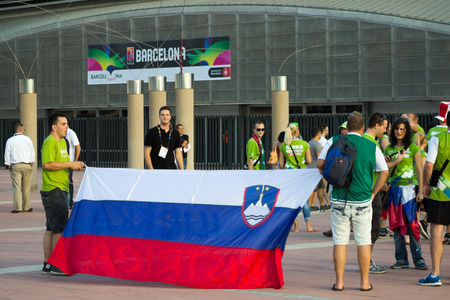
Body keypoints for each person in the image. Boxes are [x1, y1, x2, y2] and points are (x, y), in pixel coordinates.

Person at [317, 111, 388, 292]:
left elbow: (320, 164)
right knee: (363, 241)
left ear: (346, 127)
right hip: (363, 200)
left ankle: (339, 283)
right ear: (363, 128)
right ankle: (364, 283)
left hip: (339, 198)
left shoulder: (334, 140)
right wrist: (373, 193)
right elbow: (384, 171)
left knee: (340, 241)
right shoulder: (371, 145)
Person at [41, 114, 84, 275]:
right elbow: (47, 164)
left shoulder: (63, 142)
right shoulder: (50, 142)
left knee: (51, 228)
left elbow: (61, 164)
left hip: (61, 189)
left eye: (67, 124)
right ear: (54, 127)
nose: (67, 127)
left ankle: (48, 263)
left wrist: (72, 166)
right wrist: (69, 164)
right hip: (54, 190)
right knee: (59, 228)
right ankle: (57, 265)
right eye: (63, 124)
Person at [384, 117, 428, 270]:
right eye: (397, 128)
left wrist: (421, 191)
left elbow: (419, 171)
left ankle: (419, 260)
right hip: (393, 192)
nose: (399, 131)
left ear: (407, 131)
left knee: (412, 226)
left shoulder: (414, 148)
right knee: (396, 228)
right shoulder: (388, 148)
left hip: (410, 192)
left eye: (402, 129)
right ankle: (401, 259)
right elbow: (384, 170)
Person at [418, 110, 450, 286]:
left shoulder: (439, 138)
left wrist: (425, 185)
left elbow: (429, 165)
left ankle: (436, 274)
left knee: (436, 232)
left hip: (441, 191)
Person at [362, 113, 389, 274]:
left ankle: (366, 261)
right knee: (371, 230)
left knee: (365, 229)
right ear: (377, 125)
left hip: (363, 188)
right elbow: (383, 169)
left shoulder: (360, 140)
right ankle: (367, 262)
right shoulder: (372, 143)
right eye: (384, 127)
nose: (385, 131)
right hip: (370, 191)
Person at [279, 123, 316, 232]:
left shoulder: (283, 146)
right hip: (302, 174)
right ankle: (309, 226)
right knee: (304, 200)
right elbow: (309, 161)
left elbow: (281, 165)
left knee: (292, 200)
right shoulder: (304, 144)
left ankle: (296, 227)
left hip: (289, 175)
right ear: (298, 132)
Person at [4, 123, 35, 213]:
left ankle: (17, 208)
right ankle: (26, 207)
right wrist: (30, 164)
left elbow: (7, 154)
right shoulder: (27, 139)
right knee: (26, 187)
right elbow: (32, 153)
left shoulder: (10, 140)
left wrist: (8, 164)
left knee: (16, 187)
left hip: (16, 165)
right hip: (27, 165)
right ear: (21, 130)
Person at [307, 128, 328, 212]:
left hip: (310, 168)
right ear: (317, 134)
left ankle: (321, 204)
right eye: (320, 133)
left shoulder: (309, 143)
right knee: (314, 188)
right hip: (316, 169)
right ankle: (309, 206)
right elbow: (320, 157)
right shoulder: (317, 145)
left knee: (319, 187)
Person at [65, 128, 81, 210]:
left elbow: (78, 147)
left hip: (69, 162)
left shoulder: (71, 133)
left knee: (68, 183)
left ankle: (69, 204)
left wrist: (75, 161)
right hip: (61, 163)